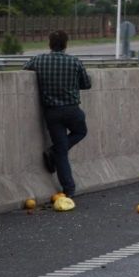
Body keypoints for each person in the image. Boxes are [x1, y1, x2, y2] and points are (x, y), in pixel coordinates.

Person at [24, 30, 91, 198]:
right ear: (66, 44)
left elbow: (24, 72)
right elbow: (86, 84)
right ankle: (53, 152)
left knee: (61, 151)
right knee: (81, 132)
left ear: (49, 44)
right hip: (72, 110)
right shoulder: (74, 62)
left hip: (52, 112)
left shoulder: (39, 60)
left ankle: (69, 189)